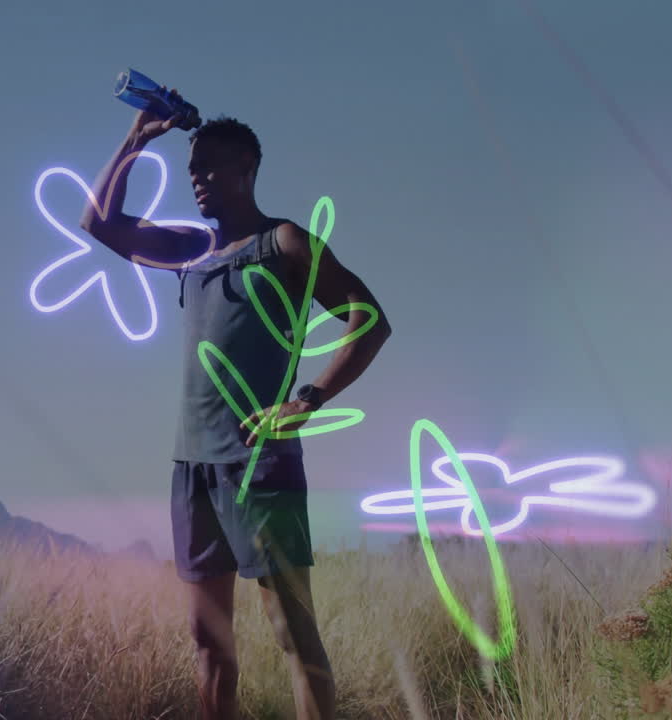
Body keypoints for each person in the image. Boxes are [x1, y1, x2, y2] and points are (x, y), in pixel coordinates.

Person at [78, 87, 392, 720]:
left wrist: (308, 399)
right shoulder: (192, 251)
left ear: (248, 169)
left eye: (213, 167)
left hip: (261, 466)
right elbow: (99, 225)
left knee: (293, 638)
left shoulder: (284, 244)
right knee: (209, 647)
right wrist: (138, 139)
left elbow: (369, 319)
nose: (198, 179)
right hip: (190, 467)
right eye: (193, 169)